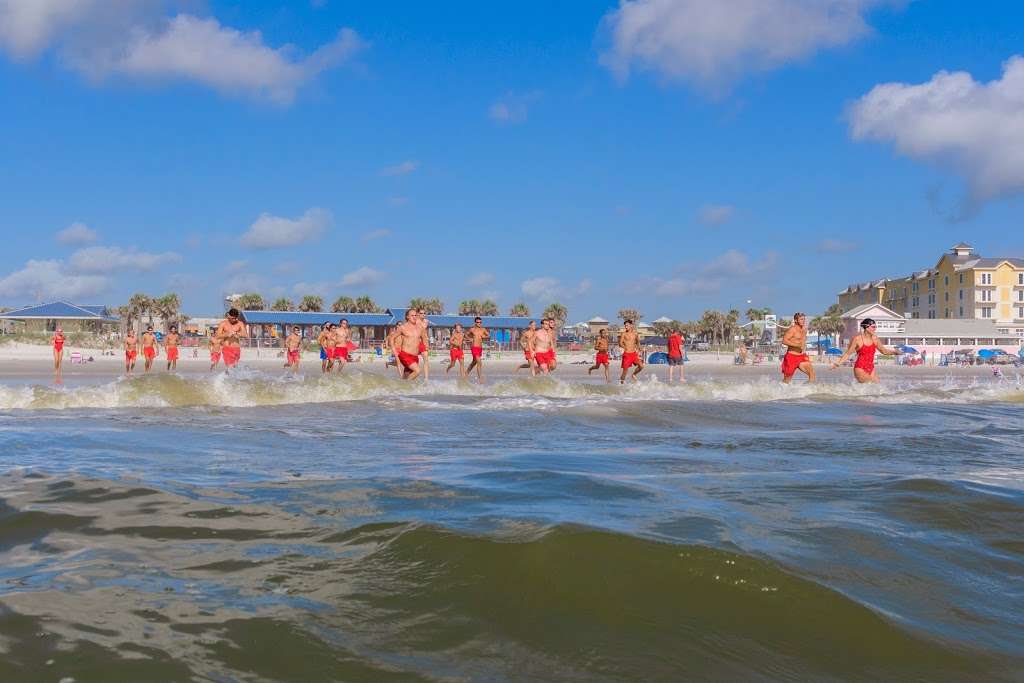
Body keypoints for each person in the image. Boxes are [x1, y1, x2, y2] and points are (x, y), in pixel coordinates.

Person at [831, 318, 901, 383]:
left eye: (875, 327)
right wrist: (838, 364)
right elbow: (848, 353)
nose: (875, 329)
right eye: (873, 327)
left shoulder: (875, 339)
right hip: (860, 368)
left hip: (871, 368)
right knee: (871, 384)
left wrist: (894, 352)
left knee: (877, 387)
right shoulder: (857, 339)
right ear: (867, 327)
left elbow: (884, 351)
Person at [780, 312, 815, 384]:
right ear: (796, 320)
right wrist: (797, 345)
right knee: (786, 381)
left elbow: (803, 342)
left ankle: (807, 389)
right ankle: (779, 389)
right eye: (801, 319)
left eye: (804, 319)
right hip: (791, 357)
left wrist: (803, 350)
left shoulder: (804, 330)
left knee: (812, 374)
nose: (803, 321)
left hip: (801, 356)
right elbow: (784, 341)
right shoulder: (792, 329)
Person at [391, 309, 423, 380]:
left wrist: (425, 347)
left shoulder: (419, 328)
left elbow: (423, 338)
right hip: (405, 355)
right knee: (417, 371)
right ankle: (406, 384)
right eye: (412, 315)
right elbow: (392, 338)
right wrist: (394, 350)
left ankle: (401, 385)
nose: (414, 317)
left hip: (415, 356)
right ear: (407, 317)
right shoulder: (402, 327)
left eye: (415, 315)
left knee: (406, 376)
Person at [464, 317, 490, 382]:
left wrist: (484, 337)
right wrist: (470, 339)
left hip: (480, 348)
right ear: (475, 322)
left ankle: (466, 373)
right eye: (478, 322)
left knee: (474, 362)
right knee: (479, 361)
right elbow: (466, 334)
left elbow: (488, 335)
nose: (479, 323)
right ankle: (480, 378)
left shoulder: (483, 329)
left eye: (480, 322)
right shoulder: (472, 329)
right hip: (474, 347)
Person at [416, 309, 430, 381]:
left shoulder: (426, 321)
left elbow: (425, 333)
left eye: (424, 313)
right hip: (415, 343)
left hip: (423, 343)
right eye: (421, 313)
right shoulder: (415, 321)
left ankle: (426, 378)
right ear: (418, 314)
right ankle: (414, 376)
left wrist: (427, 343)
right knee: (414, 360)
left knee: (426, 360)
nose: (423, 314)